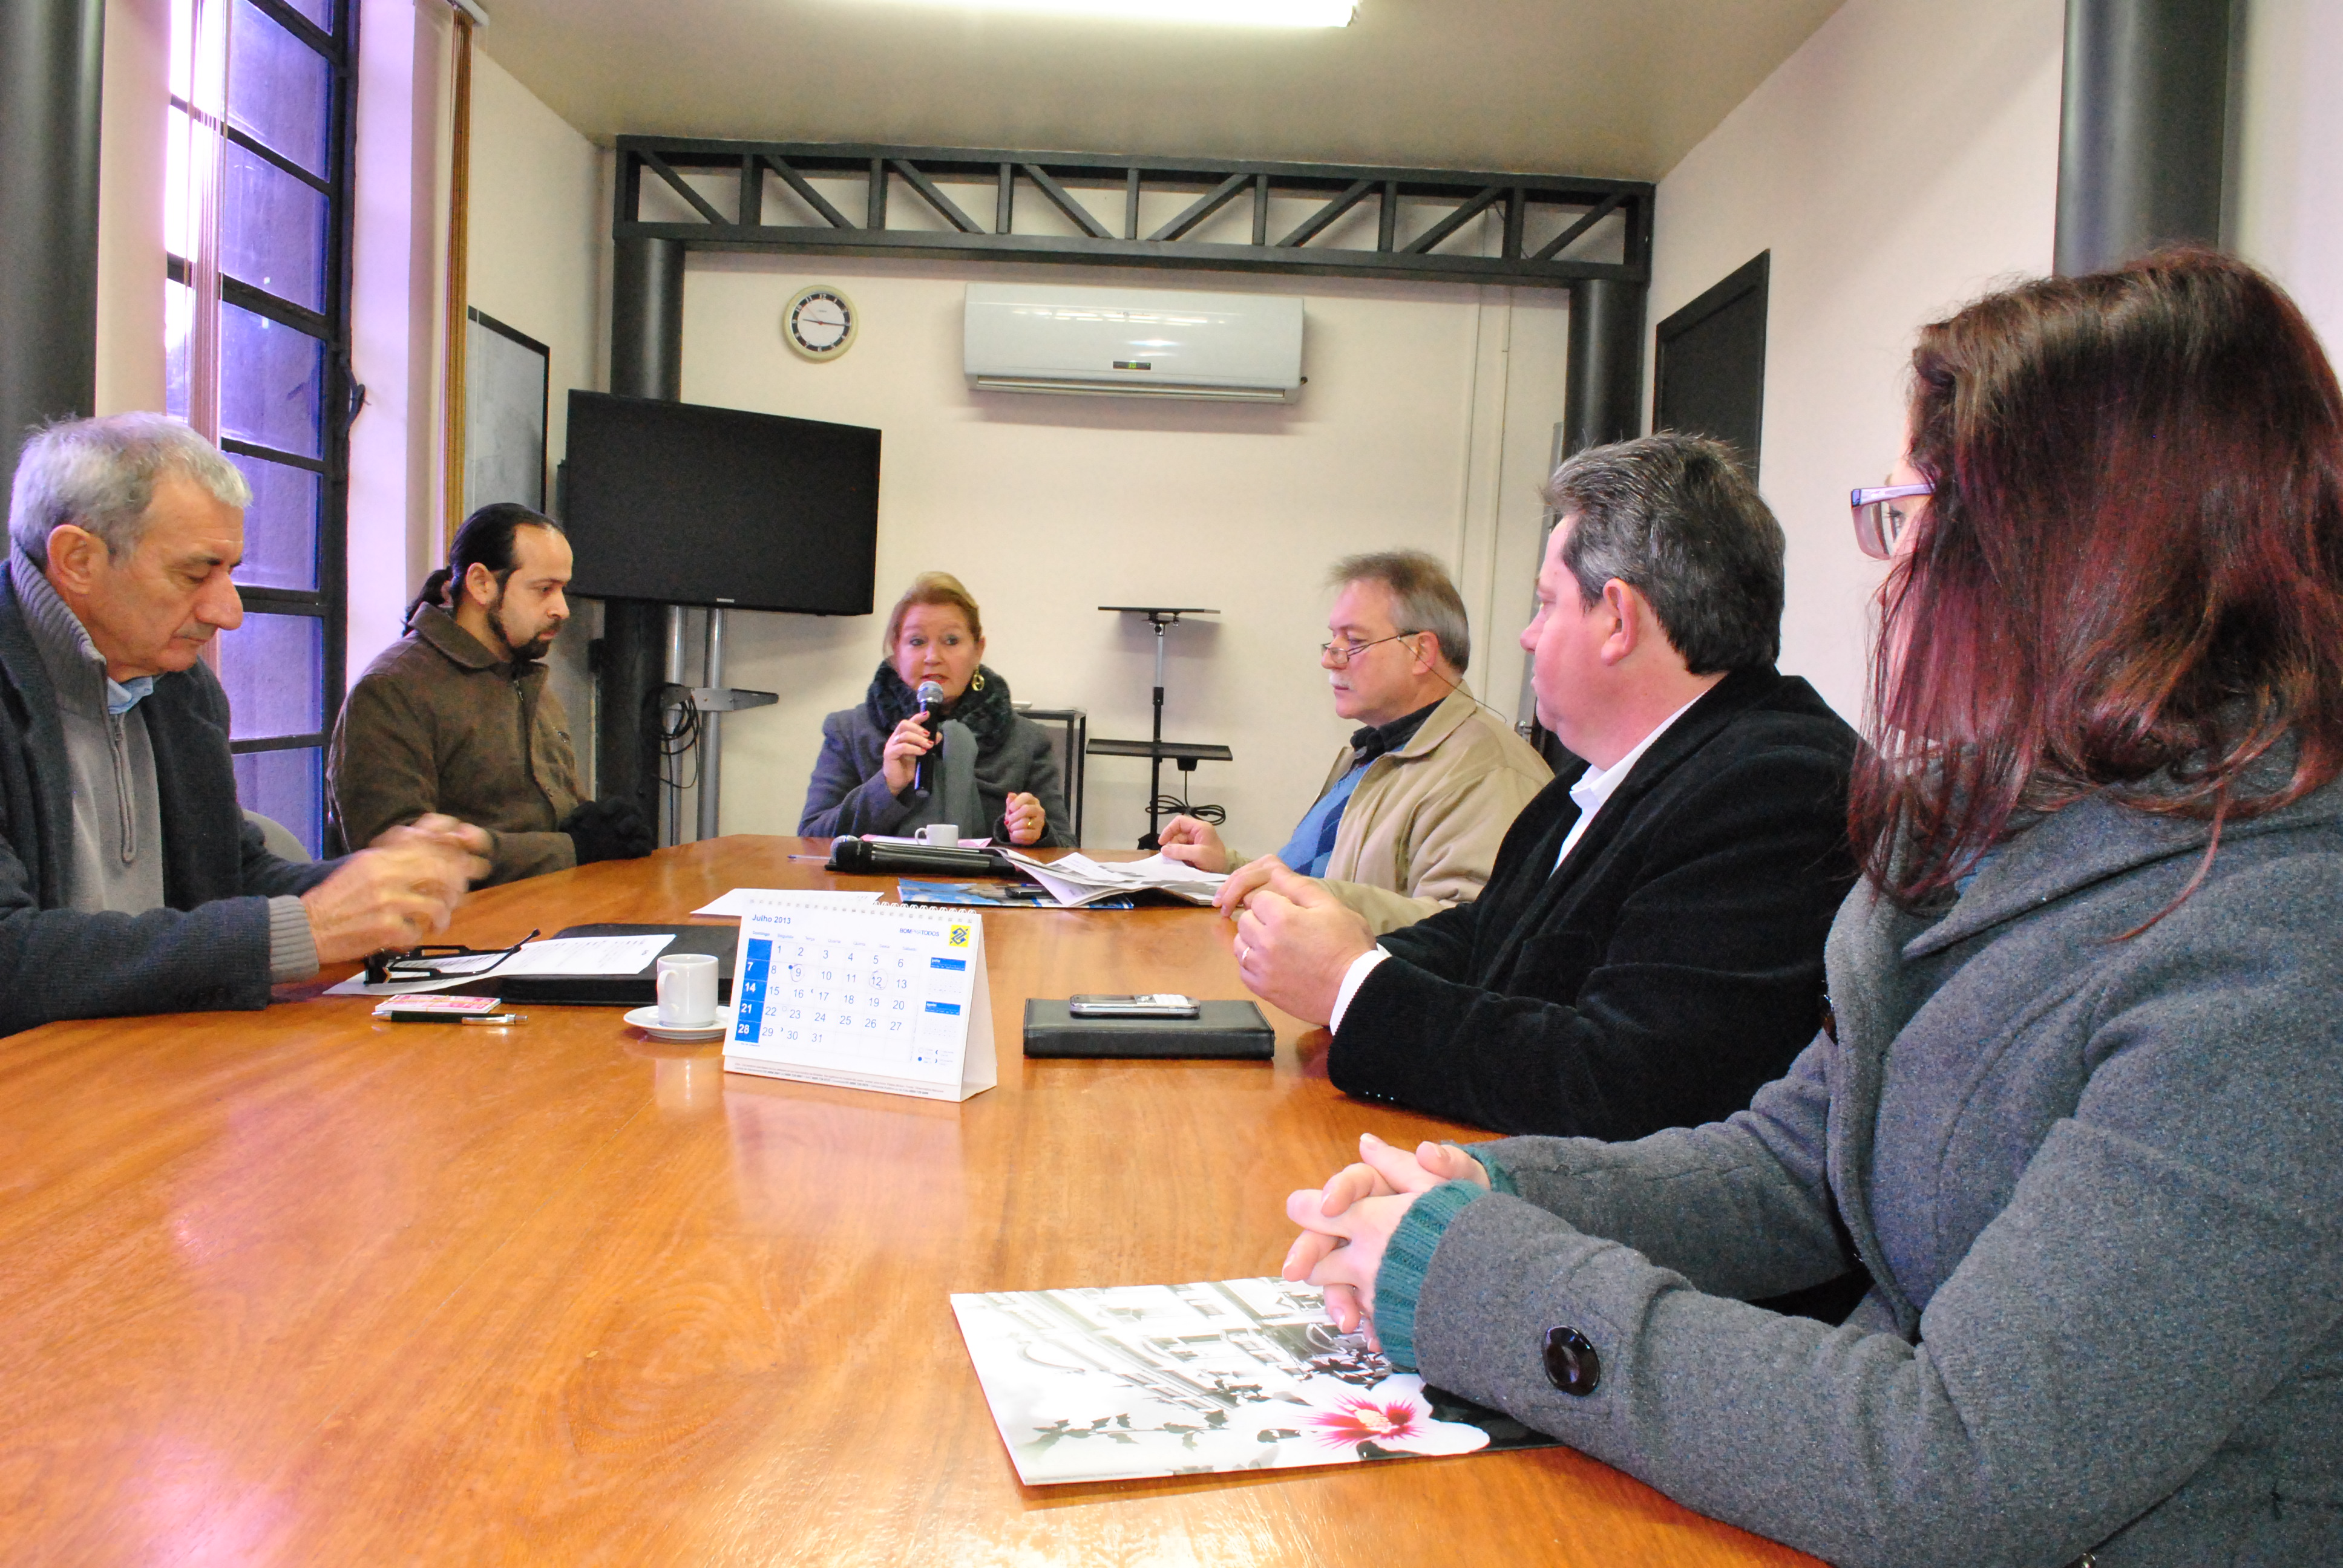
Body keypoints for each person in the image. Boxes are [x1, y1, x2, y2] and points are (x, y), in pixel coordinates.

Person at [1280, 250, 2343, 1567]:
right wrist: (1491, 1186)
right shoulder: (2009, 831)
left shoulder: (2285, 952)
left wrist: (1487, 1280)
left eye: (1916, 518)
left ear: (2082, 556)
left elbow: (1957, 1463)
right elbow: (1797, 1166)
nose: (1892, 581)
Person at [1228, 434, 1858, 1138]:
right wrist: (1326, 954)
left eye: (1546, 605)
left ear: (1617, 619)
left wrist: (1352, 985)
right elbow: (1486, 941)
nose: (1527, 638)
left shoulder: (1776, 786)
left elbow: (1627, 1080)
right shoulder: (1596, 781)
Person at [1, 414, 488, 1037]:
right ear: (77, 560)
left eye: (230, 571)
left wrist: (379, 884)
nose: (227, 612)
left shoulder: (181, 686)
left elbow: (228, 878)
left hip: (150, 1062)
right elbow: (10, 956)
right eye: (194, 573)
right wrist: (307, 929)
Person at [1157, 551, 1549, 934]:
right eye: (1332, 640)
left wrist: (1314, 897)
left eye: (1354, 642)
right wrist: (1228, 867)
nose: (1331, 659)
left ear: (1422, 652)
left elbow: (1467, 933)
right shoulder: (1378, 751)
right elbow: (1321, 873)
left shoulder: (1486, 774)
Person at [327, 503, 650, 886]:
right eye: (544, 589)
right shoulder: (392, 688)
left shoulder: (525, 676)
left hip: (546, 911)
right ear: (482, 584)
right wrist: (572, 849)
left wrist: (601, 827)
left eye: (562, 589)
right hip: (455, 936)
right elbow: (395, 857)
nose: (562, 609)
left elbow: (555, 822)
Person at [800, 572, 1072, 846]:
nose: (933, 658)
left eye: (951, 641)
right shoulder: (848, 731)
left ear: (978, 650)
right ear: (896, 651)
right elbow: (810, 839)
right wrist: (887, 786)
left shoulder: (1026, 740)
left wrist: (1037, 831)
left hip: (982, 890)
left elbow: (1066, 849)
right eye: (917, 642)